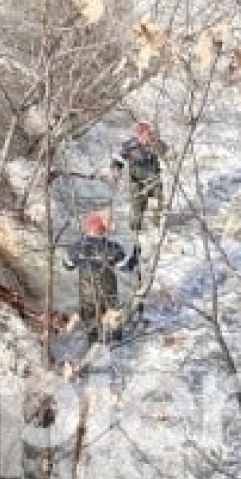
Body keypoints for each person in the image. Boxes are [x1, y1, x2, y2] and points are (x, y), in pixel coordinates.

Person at [62, 213, 139, 345]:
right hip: (108, 292)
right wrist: (135, 256)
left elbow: (67, 265)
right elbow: (126, 267)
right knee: (114, 317)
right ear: (103, 229)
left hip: (88, 294)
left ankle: (94, 345)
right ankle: (116, 343)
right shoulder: (113, 247)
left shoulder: (77, 247)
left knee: (91, 320)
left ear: (87, 228)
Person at [111, 121, 167, 234]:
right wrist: (116, 170)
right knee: (137, 208)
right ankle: (135, 231)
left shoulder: (155, 143)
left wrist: (156, 144)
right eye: (142, 133)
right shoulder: (129, 146)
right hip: (136, 182)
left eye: (148, 133)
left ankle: (157, 228)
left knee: (157, 204)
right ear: (138, 134)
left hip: (154, 180)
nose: (146, 136)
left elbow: (167, 153)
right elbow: (117, 160)